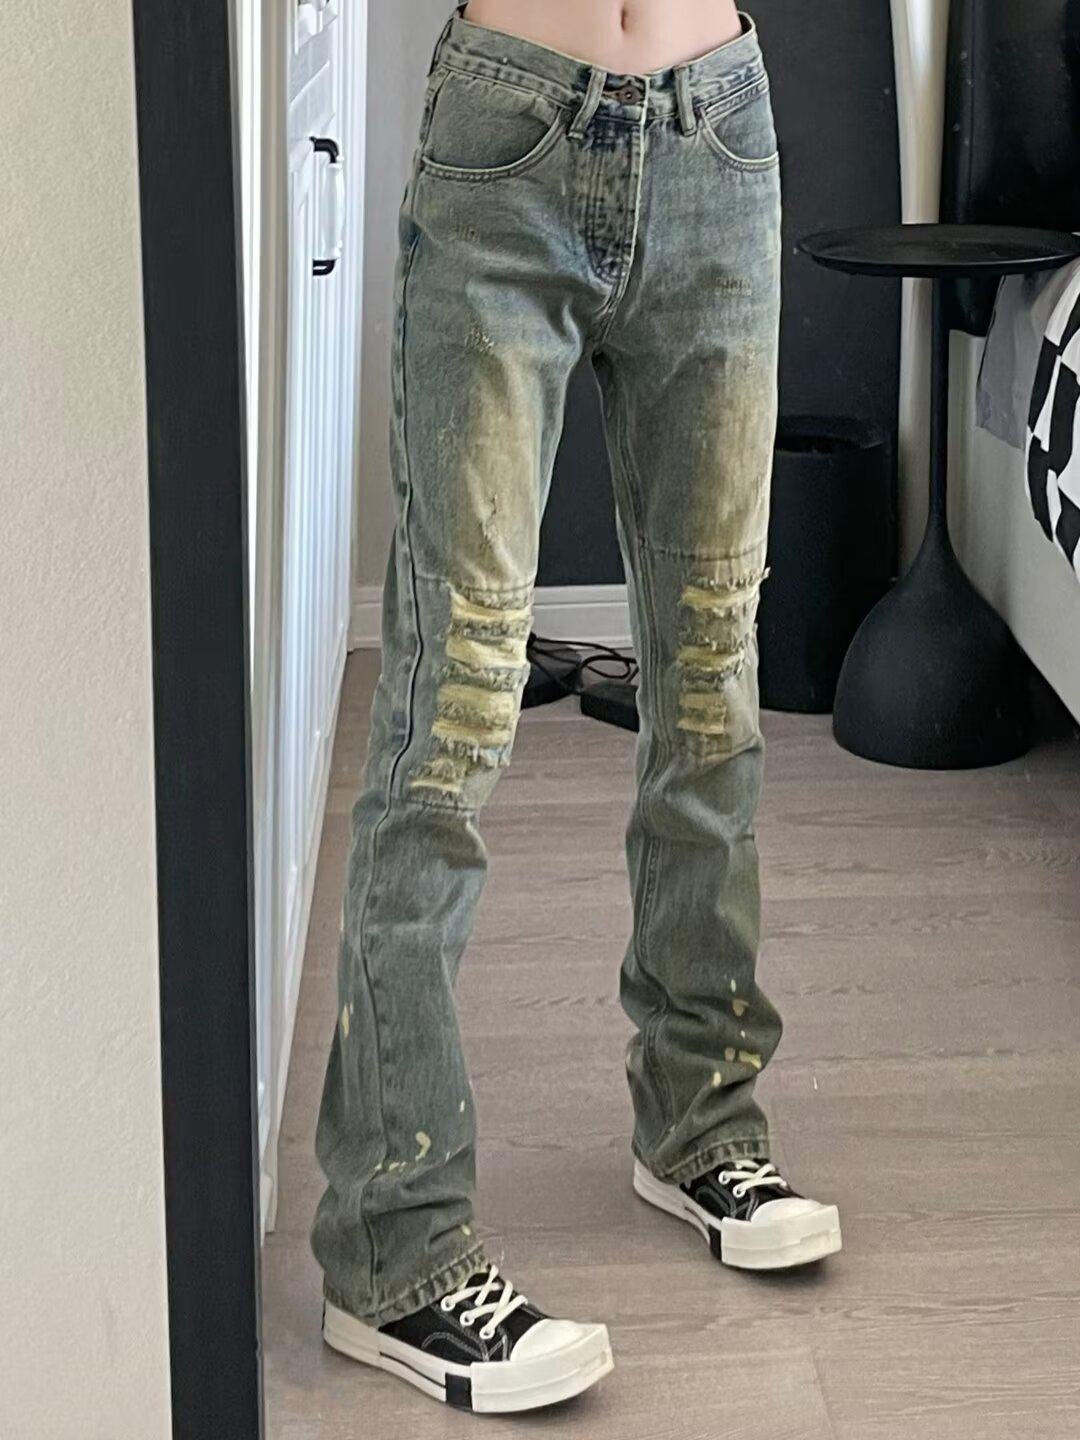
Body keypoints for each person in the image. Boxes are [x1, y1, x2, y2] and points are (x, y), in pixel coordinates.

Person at [311, 0, 842, 1414]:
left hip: (719, 127)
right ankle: (393, 1249)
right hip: (509, 136)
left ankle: (702, 1124)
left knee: (712, 677)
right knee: (455, 703)